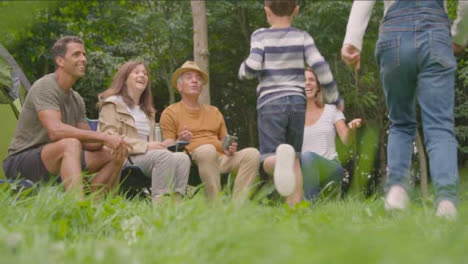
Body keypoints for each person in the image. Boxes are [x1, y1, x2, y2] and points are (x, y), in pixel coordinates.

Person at [341, 0, 468, 219]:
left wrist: (353, 40)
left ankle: (397, 190)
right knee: (439, 126)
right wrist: (459, 36)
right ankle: (446, 202)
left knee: (400, 122)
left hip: (394, 36)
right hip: (436, 34)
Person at [238, 0, 341, 206]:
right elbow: (320, 65)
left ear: (267, 11)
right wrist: (334, 96)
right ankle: (295, 211)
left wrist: (243, 71)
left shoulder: (260, 35)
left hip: (271, 103)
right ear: (296, 11)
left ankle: (278, 162)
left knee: (269, 158)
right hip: (297, 102)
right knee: (294, 158)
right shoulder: (302, 37)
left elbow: (253, 65)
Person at [2, 36, 128, 198]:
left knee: (113, 153)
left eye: (84, 54)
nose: (83, 59)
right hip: (21, 162)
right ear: (60, 61)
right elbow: (55, 130)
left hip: (59, 156)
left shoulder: (76, 99)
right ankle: (77, 207)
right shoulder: (45, 86)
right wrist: (102, 136)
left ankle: (95, 208)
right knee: (70, 144)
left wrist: (112, 140)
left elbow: (90, 143)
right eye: (76, 55)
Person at [160, 61, 260, 202]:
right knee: (207, 150)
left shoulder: (214, 111)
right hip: (192, 162)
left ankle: (238, 209)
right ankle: (215, 207)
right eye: (189, 77)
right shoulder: (171, 112)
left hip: (220, 159)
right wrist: (180, 141)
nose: (195, 80)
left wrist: (229, 148)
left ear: (201, 87)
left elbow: (225, 142)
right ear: (179, 86)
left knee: (252, 154)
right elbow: (168, 147)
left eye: (198, 78)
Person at [98, 61, 191, 204]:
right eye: (136, 72)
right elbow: (109, 137)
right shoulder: (112, 104)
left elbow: (153, 144)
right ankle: (160, 206)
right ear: (124, 79)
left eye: (145, 73)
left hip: (147, 156)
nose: (142, 75)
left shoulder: (147, 111)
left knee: (182, 158)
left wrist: (175, 141)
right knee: (163, 157)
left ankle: (176, 206)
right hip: (123, 157)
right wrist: (146, 146)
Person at [301, 68, 361, 201]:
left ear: (318, 87)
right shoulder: (294, 117)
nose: (307, 83)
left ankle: (310, 208)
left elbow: (346, 140)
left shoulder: (332, 110)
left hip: (331, 168)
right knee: (304, 160)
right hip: (305, 171)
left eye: (311, 80)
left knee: (308, 157)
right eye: (303, 80)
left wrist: (351, 129)